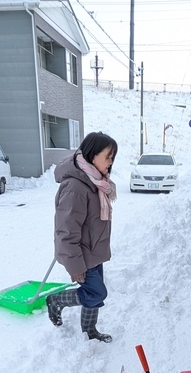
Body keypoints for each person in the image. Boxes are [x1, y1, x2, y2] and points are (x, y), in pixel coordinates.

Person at [46, 132, 118, 343]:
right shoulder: (76, 187)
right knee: (96, 293)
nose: (111, 161)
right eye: (108, 156)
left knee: (93, 296)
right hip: (82, 255)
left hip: (94, 252)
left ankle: (89, 330)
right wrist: (75, 264)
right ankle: (56, 300)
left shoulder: (95, 182)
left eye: (113, 156)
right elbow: (66, 230)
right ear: (92, 155)